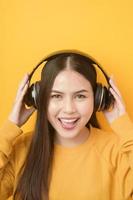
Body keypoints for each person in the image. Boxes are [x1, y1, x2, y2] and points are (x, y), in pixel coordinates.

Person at [0, 52, 133, 200]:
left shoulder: (118, 151)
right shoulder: (22, 148)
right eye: (56, 96)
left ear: (98, 99)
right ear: (38, 98)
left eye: (80, 96)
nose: (69, 109)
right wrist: (11, 125)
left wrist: (123, 125)